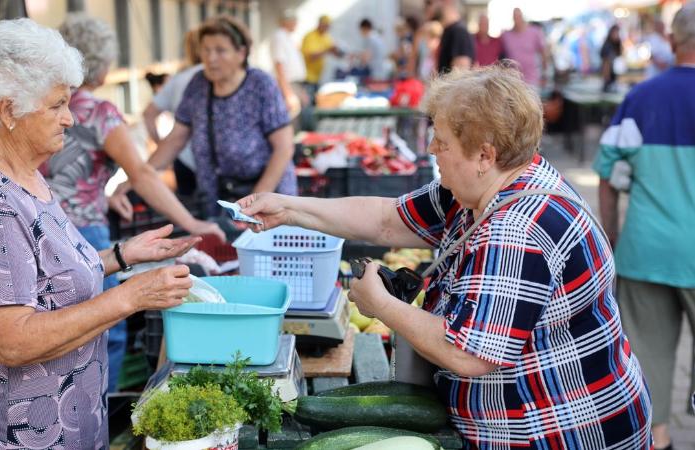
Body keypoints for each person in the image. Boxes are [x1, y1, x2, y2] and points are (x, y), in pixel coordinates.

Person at [239, 66, 652, 449]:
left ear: (485, 155)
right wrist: (288, 210)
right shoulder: (483, 189)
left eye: (443, 141)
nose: (433, 149)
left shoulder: (515, 229)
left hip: (558, 432)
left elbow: (469, 354)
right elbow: (386, 220)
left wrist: (381, 305)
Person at [0, 19, 199, 448]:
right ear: (8, 111)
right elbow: (13, 342)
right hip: (17, 432)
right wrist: (131, 296)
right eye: (56, 105)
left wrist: (122, 255)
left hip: (68, 420)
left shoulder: (26, 177)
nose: (70, 118)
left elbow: (43, 277)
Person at [43, 15, 224, 393]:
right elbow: (141, 173)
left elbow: (59, 173)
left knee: (55, 332)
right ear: (104, 62)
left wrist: (104, 192)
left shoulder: (44, 103)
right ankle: (97, 418)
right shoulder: (99, 112)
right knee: (104, 330)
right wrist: (191, 222)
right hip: (84, 237)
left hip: (41, 228)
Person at [594, 4, 695, 449]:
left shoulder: (642, 98)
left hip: (646, 251)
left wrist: (613, 236)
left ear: (672, 40)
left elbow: (606, 170)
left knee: (647, 369)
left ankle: (660, 439)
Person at [147, 15, 297, 217]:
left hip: (267, 196)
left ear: (241, 53)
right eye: (206, 50)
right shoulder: (198, 85)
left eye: (220, 50)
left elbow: (284, 147)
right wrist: (139, 175)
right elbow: (176, 139)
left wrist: (256, 203)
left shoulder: (261, 85)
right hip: (219, 197)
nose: (211, 58)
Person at [143, 29, 204, 198]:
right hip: (219, 161)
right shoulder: (219, 77)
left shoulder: (179, 80)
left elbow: (148, 114)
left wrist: (161, 144)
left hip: (183, 158)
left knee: (191, 212)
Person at [270, 9, 308, 117]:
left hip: (295, 84)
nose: (296, 23)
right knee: (291, 119)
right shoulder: (279, 36)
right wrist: (288, 94)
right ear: (285, 22)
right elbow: (279, 65)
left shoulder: (288, 37)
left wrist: (301, 91)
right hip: (288, 84)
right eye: (293, 20)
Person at [501, 8, 549, 87]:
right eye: (515, 17)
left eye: (519, 16)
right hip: (512, 81)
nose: (517, 19)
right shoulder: (506, 35)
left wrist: (544, 75)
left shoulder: (534, 32)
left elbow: (543, 53)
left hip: (532, 80)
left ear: (522, 17)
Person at [430, 0, 474, 73]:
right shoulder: (449, 31)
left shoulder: (459, 32)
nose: (429, 7)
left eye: (429, 2)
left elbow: (460, 77)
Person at [301, 15, 342, 92]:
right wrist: (327, 50)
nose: (326, 28)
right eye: (325, 25)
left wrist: (337, 51)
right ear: (319, 24)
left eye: (328, 26)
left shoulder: (326, 37)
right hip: (307, 77)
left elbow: (335, 53)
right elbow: (310, 57)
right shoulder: (310, 36)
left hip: (318, 77)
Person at [600, 24, 622, 92]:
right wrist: (607, 79)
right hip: (609, 79)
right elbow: (606, 64)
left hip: (613, 76)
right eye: (615, 33)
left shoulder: (616, 44)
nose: (617, 35)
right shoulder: (607, 46)